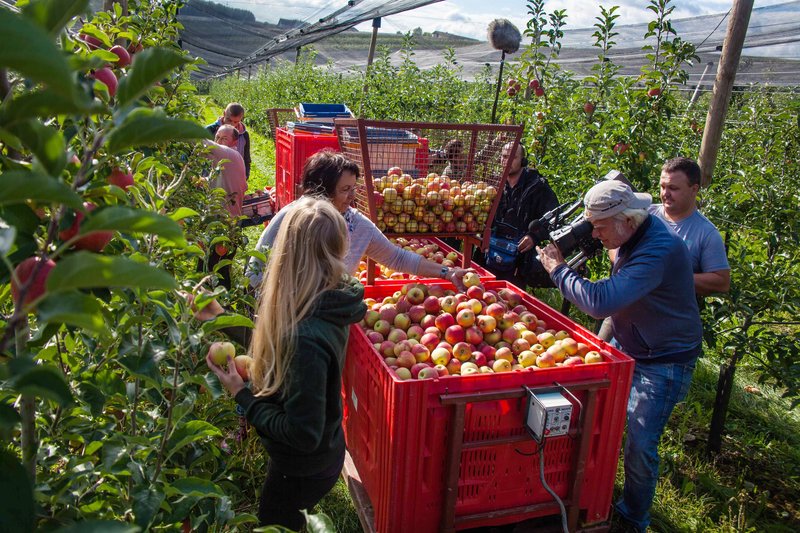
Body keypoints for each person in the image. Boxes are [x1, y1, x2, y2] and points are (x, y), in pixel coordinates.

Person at [536, 180, 703, 533]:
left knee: (641, 444)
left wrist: (558, 270)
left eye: (599, 227)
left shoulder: (658, 251)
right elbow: (620, 304)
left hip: (664, 359)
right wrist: (602, 345)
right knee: (600, 423)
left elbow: (601, 302)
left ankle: (633, 519)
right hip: (633, 343)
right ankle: (589, 489)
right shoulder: (634, 233)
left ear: (627, 220)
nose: (595, 236)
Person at [206, 196, 367, 530]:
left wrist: (241, 394)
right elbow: (280, 346)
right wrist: (221, 317)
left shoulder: (304, 335)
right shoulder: (327, 298)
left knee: (274, 521)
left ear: (285, 252)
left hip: (302, 467)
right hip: (319, 453)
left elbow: (302, 434)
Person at [246, 149, 471, 290]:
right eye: (345, 189)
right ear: (322, 190)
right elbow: (255, 271)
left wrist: (447, 272)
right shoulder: (291, 218)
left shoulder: (357, 225)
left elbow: (397, 258)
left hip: (328, 319)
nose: (352, 196)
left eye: (353, 188)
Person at [650, 157, 730, 296]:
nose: (665, 194)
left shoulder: (706, 233)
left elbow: (722, 282)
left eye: (673, 188)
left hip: (671, 308)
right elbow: (616, 242)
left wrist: (670, 277)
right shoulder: (645, 214)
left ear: (694, 189)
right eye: (662, 187)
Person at [485, 142, 559, 288]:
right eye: (504, 156)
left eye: (513, 157)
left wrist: (534, 236)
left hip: (518, 261)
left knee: (511, 297)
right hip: (490, 254)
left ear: (523, 161)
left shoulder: (537, 187)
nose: (507, 161)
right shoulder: (494, 185)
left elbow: (554, 217)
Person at [202, 125, 247, 289]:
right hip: (222, 222)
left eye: (224, 138)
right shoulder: (224, 161)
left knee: (215, 271)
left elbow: (200, 143)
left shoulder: (229, 154)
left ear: (235, 142)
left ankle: (218, 301)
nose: (219, 141)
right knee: (211, 267)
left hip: (224, 225)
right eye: (217, 137)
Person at [207, 103, 251, 178]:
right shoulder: (210, 130)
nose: (232, 125)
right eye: (229, 120)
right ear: (224, 114)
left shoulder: (244, 135)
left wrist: (245, 176)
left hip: (234, 178)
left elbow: (246, 159)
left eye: (236, 122)